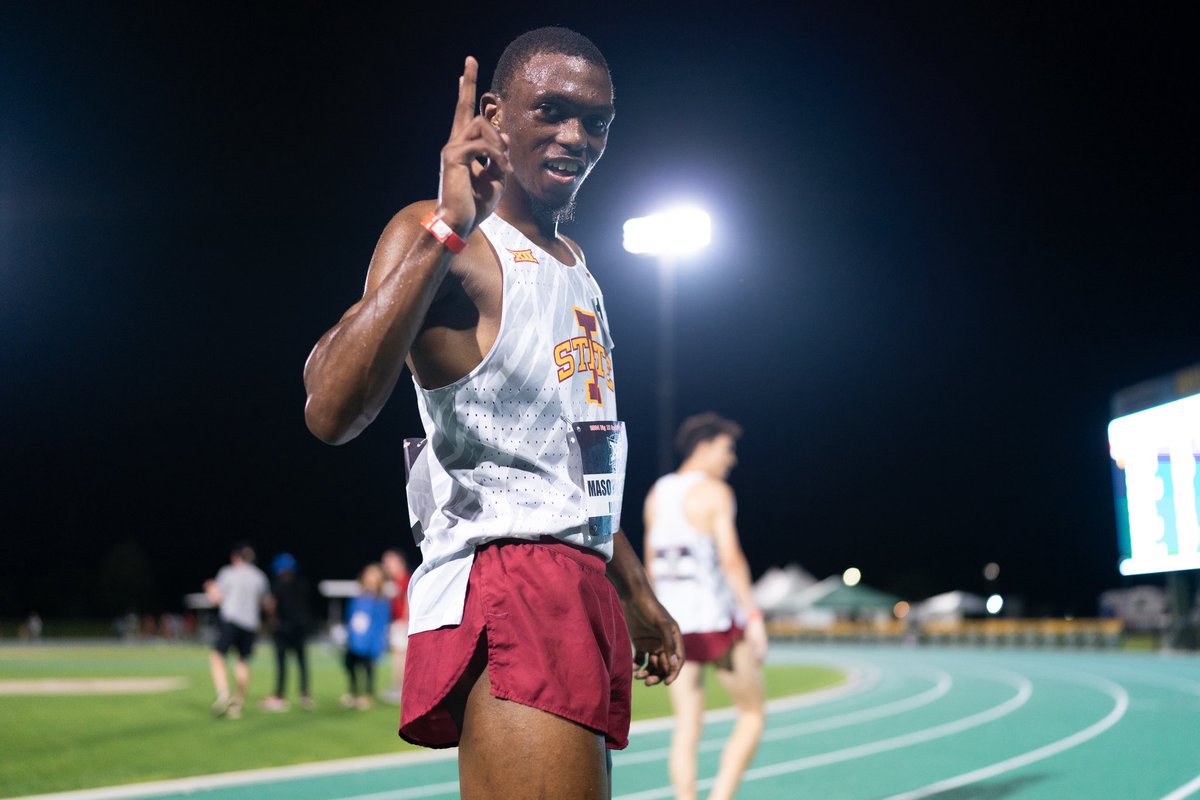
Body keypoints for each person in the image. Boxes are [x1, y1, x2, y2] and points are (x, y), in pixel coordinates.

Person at [302, 26, 683, 799]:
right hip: (510, 580)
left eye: (597, 120)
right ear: (494, 113)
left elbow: (575, 467)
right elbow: (332, 407)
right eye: (552, 110)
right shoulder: (446, 237)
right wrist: (447, 227)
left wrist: (637, 596)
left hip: (575, 577)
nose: (576, 135)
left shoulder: (581, 269)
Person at [643, 413, 768, 800]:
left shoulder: (657, 492)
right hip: (715, 620)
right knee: (752, 713)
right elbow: (731, 559)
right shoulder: (714, 492)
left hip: (676, 625)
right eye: (728, 450)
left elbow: (649, 565)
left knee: (687, 726)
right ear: (707, 444)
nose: (731, 459)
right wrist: (754, 616)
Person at [204, 543, 269, 720]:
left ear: (235, 557)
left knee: (217, 656)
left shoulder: (228, 572)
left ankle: (223, 694)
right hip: (250, 624)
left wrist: (210, 588)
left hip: (231, 621)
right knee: (243, 661)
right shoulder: (260, 577)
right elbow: (265, 603)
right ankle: (238, 703)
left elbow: (215, 600)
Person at [260, 552, 315, 712]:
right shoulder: (302, 584)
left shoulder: (277, 585)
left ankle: (280, 695)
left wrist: (272, 622)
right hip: (299, 628)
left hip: (283, 629)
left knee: (283, 664)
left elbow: (271, 606)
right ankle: (304, 695)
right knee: (301, 663)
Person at [341, 562, 393, 710]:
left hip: (370, 641)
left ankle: (367, 695)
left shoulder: (381, 600)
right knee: (350, 666)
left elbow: (382, 622)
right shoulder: (358, 597)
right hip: (354, 640)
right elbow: (350, 617)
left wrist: (378, 642)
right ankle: (353, 693)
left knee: (368, 668)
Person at [381, 549, 411, 704]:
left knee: (400, 657)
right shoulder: (392, 581)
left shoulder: (406, 578)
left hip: (402, 623)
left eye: (389, 562)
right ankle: (397, 688)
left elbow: (408, 602)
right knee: (398, 656)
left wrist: (405, 621)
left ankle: (399, 689)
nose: (386, 566)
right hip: (397, 623)